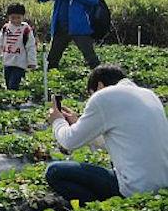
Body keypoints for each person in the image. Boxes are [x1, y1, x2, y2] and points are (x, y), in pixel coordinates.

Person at [45, 64, 168, 203]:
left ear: (99, 86)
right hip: (162, 188)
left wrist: (57, 121)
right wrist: (77, 123)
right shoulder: (149, 95)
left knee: (55, 171)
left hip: (135, 191)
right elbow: (121, 140)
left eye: (91, 94)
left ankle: (97, 210)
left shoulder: (104, 96)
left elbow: (69, 142)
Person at [38, 0, 100, 69]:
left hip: (80, 26)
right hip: (61, 26)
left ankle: (101, 79)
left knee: (91, 59)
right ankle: (51, 82)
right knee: (52, 60)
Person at [0, 3, 37, 90]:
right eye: (13, 18)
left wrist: (32, 62)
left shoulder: (26, 30)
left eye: (18, 18)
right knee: (8, 83)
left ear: (23, 17)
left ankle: (14, 101)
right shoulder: (5, 28)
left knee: (13, 85)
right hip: (7, 62)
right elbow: (0, 43)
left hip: (19, 63)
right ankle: (12, 101)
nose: (15, 20)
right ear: (8, 17)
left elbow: (30, 47)